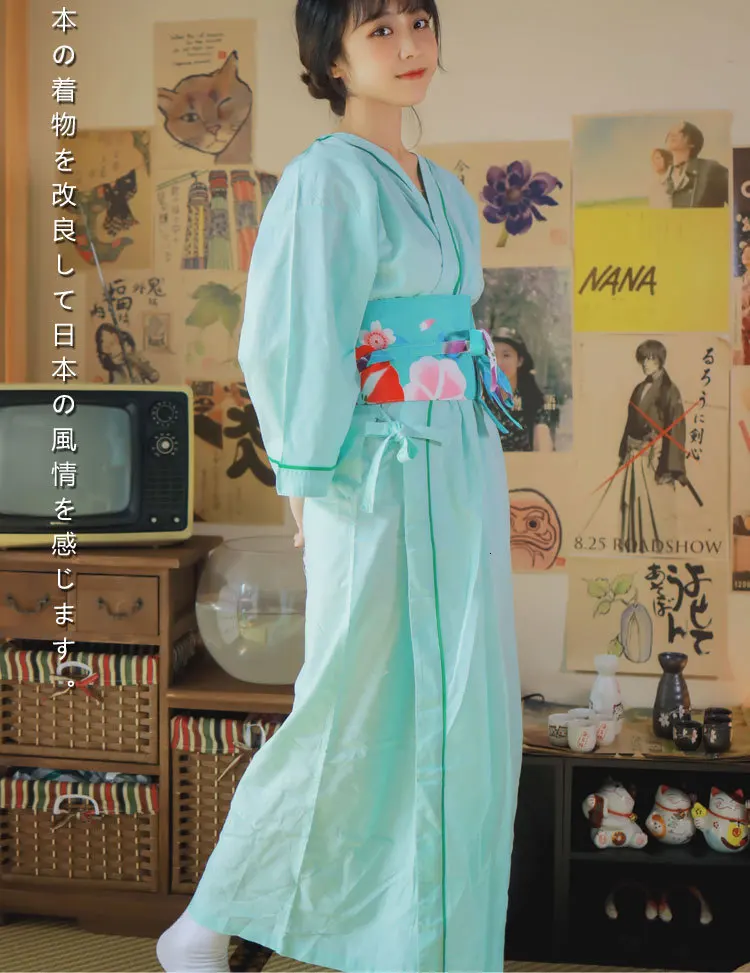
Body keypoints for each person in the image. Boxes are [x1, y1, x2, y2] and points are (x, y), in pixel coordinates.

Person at [156, 2, 522, 973]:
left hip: (459, 464)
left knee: (462, 703)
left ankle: (430, 944)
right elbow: (296, 335)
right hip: (373, 473)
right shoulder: (325, 180)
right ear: (333, 58)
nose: (409, 46)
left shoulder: (447, 191)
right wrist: (306, 481)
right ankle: (206, 923)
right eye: (379, 30)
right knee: (349, 704)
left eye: (418, 22)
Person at [617, 339, 687, 553]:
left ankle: (660, 554)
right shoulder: (639, 388)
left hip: (656, 457)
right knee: (634, 504)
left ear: (660, 360)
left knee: (657, 507)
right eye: (644, 359)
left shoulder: (669, 390)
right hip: (635, 453)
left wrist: (671, 468)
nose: (646, 364)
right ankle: (637, 550)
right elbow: (630, 422)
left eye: (651, 359)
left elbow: (676, 427)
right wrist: (624, 451)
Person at [493, 327, 555, 451]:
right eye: (493, 355)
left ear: (520, 361)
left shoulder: (533, 401)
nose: (498, 362)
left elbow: (544, 444)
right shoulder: (479, 400)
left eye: (506, 355)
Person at [663, 121, 729, 209]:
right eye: (670, 132)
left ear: (693, 142)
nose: (673, 134)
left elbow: (737, 197)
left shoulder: (710, 170)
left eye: (681, 131)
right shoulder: (662, 176)